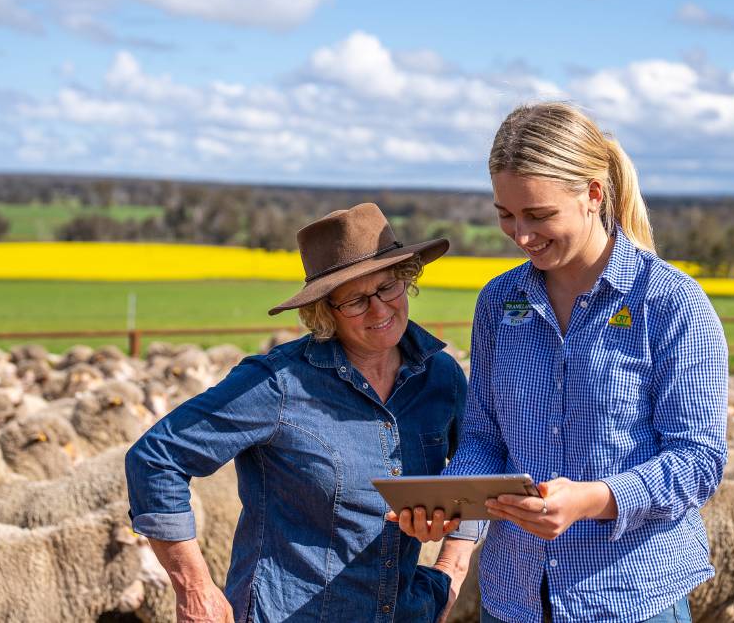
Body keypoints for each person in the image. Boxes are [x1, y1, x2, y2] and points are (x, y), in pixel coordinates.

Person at [395, 102, 728, 623]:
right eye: (506, 215)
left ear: (593, 194)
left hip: (630, 596)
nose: (521, 236)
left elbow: (698, 460)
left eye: (539, 215)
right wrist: (451, 507)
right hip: (514, 596)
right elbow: (485, 437)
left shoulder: (668, 303)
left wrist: (592, 499)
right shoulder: (499, 303)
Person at [126, 202, 476, 622]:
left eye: (388, 287)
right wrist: (195, 589)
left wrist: (451, 568)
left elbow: (479, 465)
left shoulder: (440, 376)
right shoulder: (277, 383)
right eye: (356, 301)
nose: (380, 309)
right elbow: (156, 458)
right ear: (323, 311)